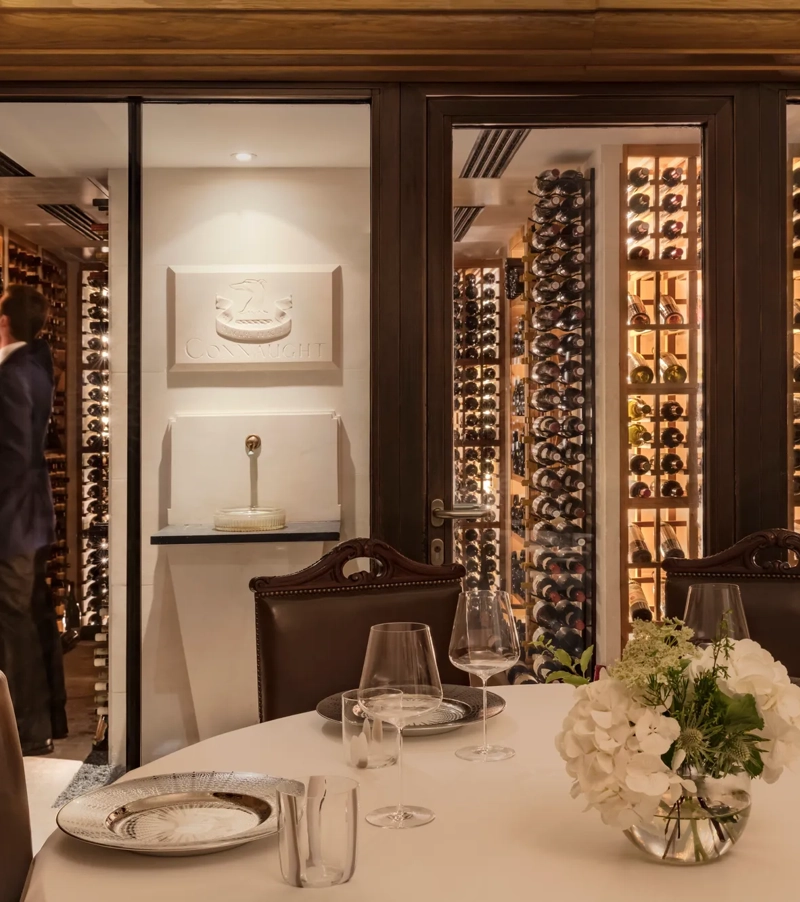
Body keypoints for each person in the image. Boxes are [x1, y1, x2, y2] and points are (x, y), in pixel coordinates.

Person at [0, 284, 62, 755]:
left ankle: (26, 727)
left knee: (15, 621)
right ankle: (50, 718)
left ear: (4, 323)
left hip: (12, 519)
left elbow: (14, 455)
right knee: (36, 618)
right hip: (31, 516)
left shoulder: (13, 374)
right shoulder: (38, 365)